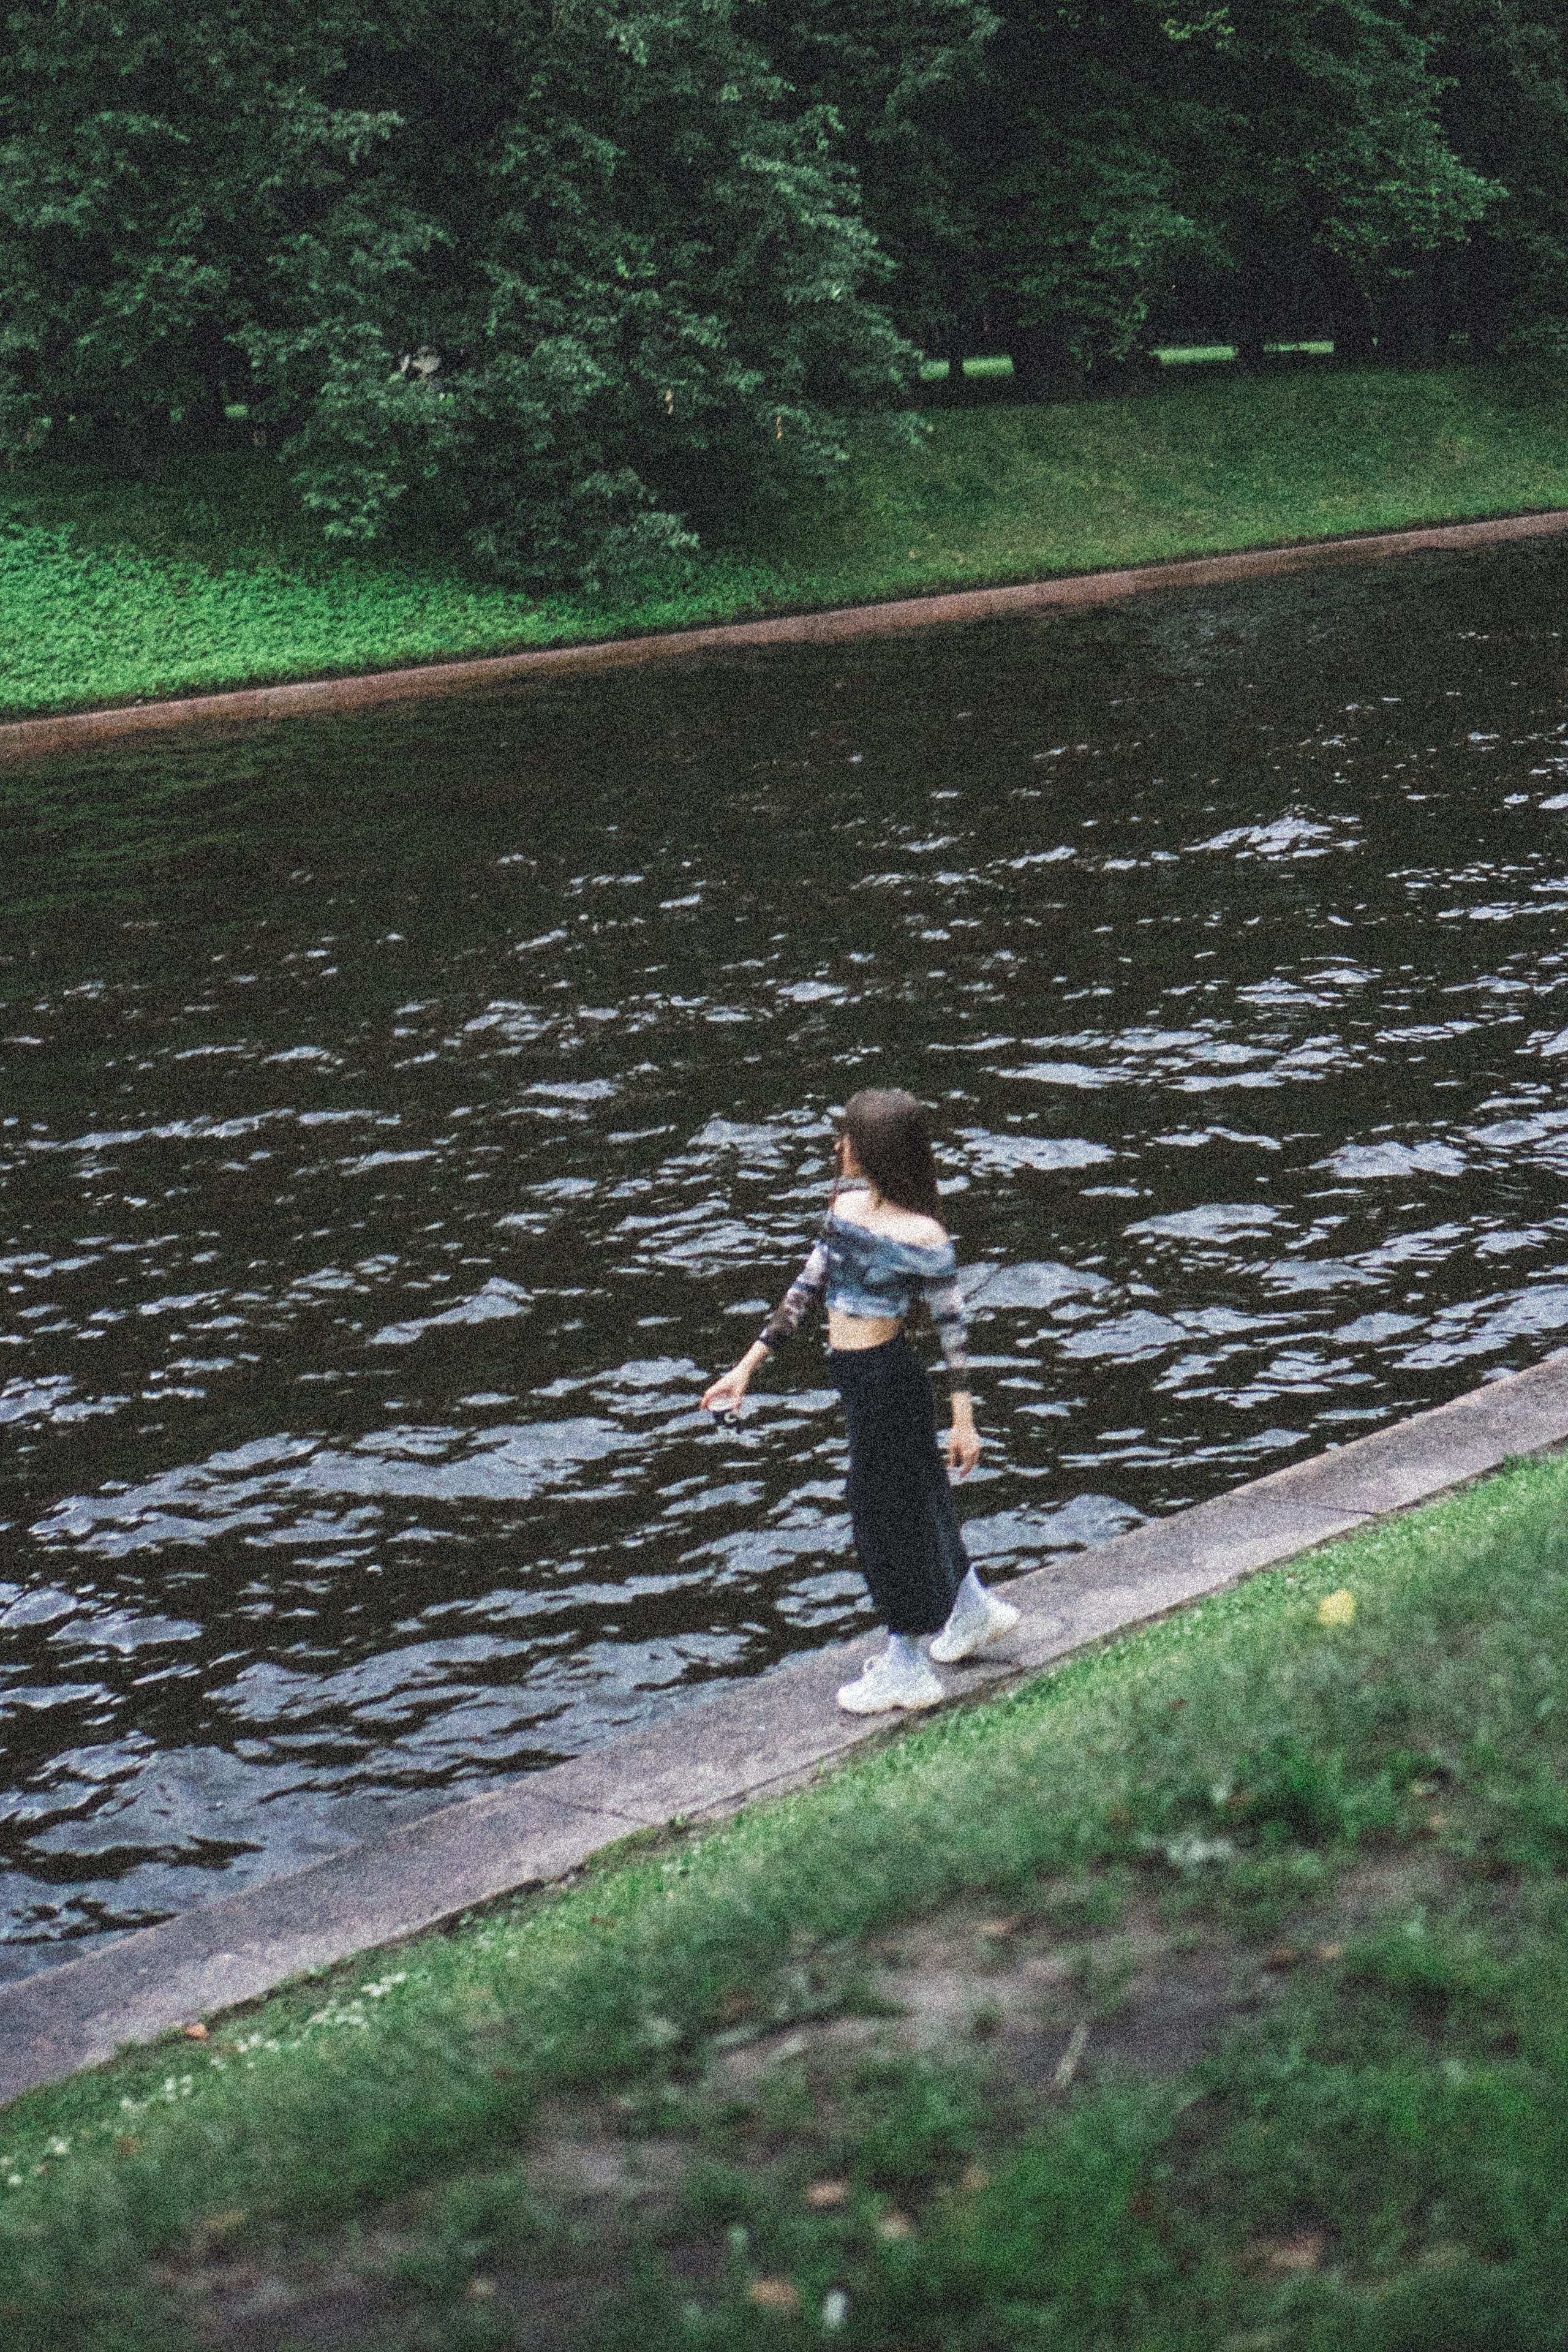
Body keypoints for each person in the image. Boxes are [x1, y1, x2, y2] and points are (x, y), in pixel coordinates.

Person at [701, 1087, 1020, 1713]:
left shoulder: (922, 1234)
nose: (837, 1146)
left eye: (846, 1136)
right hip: (856, 1377)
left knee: (880, 1517)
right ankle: (972, 1610)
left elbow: (953, 1334)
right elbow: (808, 1285)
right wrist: (745, 1368)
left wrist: (964, 1423)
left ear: (872, 1149)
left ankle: (906, 1664)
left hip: (888, 1381)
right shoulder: (844, 1206)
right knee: (921, 1499)